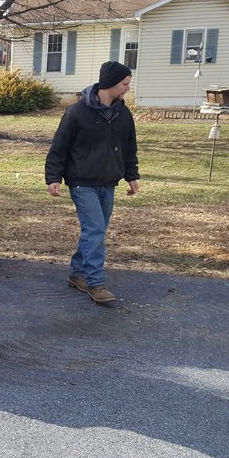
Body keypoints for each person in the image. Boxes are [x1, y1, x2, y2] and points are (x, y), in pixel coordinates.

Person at [45, 61, 140, 306]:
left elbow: (130, 147)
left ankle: (77, 274)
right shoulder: (77, 111)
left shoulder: (123, 113)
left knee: (94, 231)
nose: (128, 88)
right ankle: (95, 283)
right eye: (124, 84)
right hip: (81, 182)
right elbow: (59, 147)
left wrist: (132, 176)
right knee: (95, 230)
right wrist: (53, 177)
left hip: (108, 182)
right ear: (110, 84)